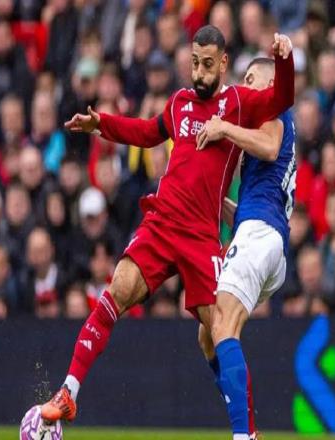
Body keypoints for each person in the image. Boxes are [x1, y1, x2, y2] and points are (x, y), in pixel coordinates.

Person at [40, 26, 294, 429]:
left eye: (207, 64)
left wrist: (285, 59)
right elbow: (146, 133)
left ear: (223, 64)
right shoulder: (179, 103)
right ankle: (68, 392)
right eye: (195, 63)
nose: (199, 72)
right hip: (162, 222)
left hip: (202, 237)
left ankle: (246, 430)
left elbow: (282, 98)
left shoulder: (237, 102)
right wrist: (101, 124)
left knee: (218, 333)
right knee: (117, 290)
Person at [195, 57, 295, 440]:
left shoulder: (273, 107)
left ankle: (243, 435)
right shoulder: (272, 119)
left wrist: (224, 127)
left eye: (251, 78)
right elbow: (262, 196)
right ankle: (248, 429)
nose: (244, 85)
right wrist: (215, 201)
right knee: (208, 334)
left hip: (259, 233)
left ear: (270, 84)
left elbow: (269, 148)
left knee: (223, 325)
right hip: (265, 237)